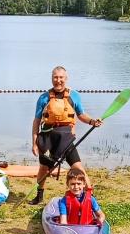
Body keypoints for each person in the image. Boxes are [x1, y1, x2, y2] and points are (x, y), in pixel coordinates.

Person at [30, 66, 103, 205]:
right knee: (44, 168)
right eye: (55, 77)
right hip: (48, 139)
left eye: (61, 77)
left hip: (66, 139)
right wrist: (34, 143)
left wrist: (92, 121)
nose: (58, 81)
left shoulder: (74, 95)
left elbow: (81, 115)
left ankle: (90, 197)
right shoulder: (43, 98)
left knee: (78, 168)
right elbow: (36, 121)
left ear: (66, 78)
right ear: (52, 78)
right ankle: (39, 195)